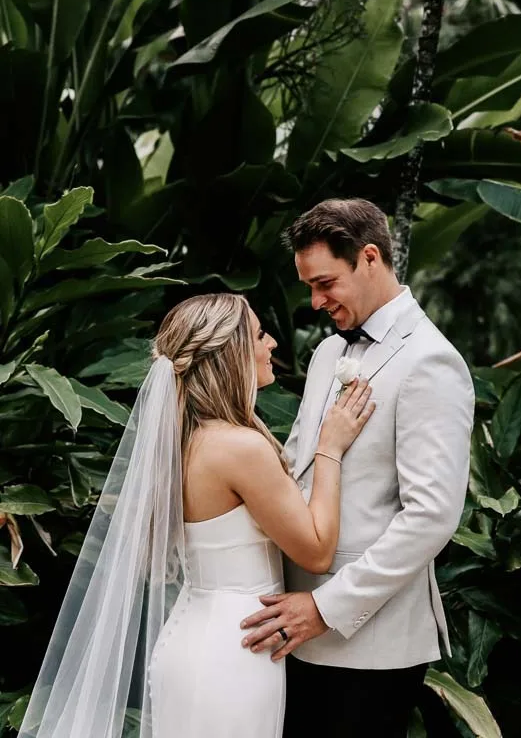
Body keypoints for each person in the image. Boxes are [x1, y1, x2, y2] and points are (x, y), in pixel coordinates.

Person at [18, 293, 374, 738]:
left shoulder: (187, 442)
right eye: (260, 334)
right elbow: (317, 550)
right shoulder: (239, 447)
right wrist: (330, 447)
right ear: (232, 352)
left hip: (195, 636)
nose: (272, 345)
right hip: (234, 652)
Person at [240, 199, 475, 738]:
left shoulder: (431, 362)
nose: (316, 301)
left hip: (367, 645)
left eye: (325, 284)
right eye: (309, 287)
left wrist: (325, 607)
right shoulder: (327, 354)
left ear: (370, 257)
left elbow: (432, 518)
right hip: (293, 628)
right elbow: (296, 469)